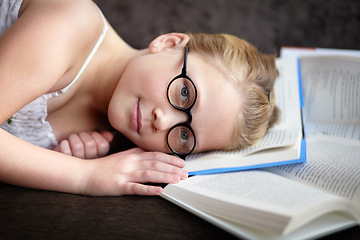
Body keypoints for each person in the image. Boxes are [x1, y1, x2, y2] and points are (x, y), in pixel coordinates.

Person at [0, 0, 278, 196]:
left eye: (184, 135)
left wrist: (61, 157)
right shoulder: (68, 25)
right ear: (168, 43)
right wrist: (84, 175)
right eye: (184, 94)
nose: (163, 121)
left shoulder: (107, 137)